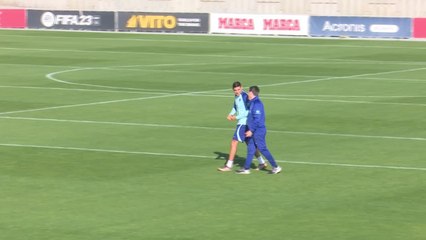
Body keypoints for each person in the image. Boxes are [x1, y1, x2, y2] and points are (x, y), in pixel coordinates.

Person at [218, 81, 267, 172]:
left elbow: (248, 111)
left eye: (238, 89)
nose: (237, 91)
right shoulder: (237, 96)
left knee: (234, 142)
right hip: (245, 123)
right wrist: (230, 114)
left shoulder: (245, 96)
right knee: (250, 143)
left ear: (242, 87)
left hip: (243, 123)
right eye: (235, 90)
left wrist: (236, 117)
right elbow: (235, 107)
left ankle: (228, 165)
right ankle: (262, 162)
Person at [236, 85, 282, 174]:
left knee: (262, 148)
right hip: (254, 130)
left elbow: (257, 120)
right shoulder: (252, 102)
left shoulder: (257, 104)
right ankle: (246, 168)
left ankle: (276, 167)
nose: (247, 93)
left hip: (258, 131)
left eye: (248, 91)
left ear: (251, 92)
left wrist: (251, 130)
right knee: (251, 149)